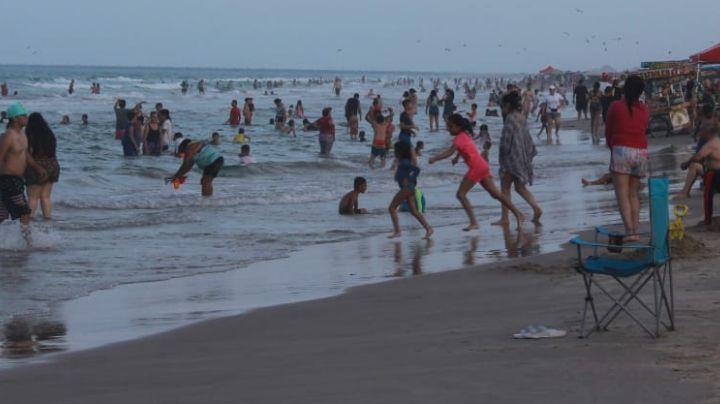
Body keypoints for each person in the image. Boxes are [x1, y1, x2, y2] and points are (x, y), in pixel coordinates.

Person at [429, 114, 524, 231]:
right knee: (496, 194)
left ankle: (474, 222)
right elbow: (463, 148)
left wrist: (434, 158)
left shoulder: (459, 138)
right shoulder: (464, 135)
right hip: (482, 165)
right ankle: (518, 213)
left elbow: (449, 152)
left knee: (461, 194)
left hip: (476, 168)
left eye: (451, 126)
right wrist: (457, 158)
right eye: (448, 126)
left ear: (458, 127)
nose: (448, 128)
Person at [605, 75, 649, 242]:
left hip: (621, 150)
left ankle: (630, 232)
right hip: (641, 152)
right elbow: (643, 128)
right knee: (633, 194)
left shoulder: (615, 106)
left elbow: (609, 130)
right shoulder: (645, 109)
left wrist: (612, 148)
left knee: (622, 195)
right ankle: (636, 231)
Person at [492, 92, 542, 226]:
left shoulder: (510, 118)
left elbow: (506, 141)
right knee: (520, 187)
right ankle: (536, 207)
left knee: (505, 187)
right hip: (522, 157)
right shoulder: (522, 117)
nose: (501, 108)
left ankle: (505, 218)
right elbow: (528, 139)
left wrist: (502, 158)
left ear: (508, 105)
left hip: (511, 159)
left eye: (502, 106)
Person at [0, 103, 33, 244]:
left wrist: (38, 168)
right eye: (23, 115)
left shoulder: (23, 135)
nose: (26, 117)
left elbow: (25, 156)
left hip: (17, 180)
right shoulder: (9, 136)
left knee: (2, 214)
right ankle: (29, 242)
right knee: (24, 211)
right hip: (8, 179)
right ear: (15, 119)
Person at [388, 141, 433, 239]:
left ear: (400, 151)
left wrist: (409, 179)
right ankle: (428, 228)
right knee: (414, 211)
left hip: (407, 189)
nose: (394, 151)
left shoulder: (404, 162)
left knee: (391, 208)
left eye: (396, 150)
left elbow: (417, 170)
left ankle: (397, 231)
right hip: (409, 189)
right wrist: (398, 176)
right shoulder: (402, 161)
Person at [676, 104, 719, 199]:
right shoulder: (713, 140)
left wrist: (686, 164)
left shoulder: (711, 143)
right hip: (714, 173)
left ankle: (685, 192)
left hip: (717, 177)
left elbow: (697, 157)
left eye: (701, 131)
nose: (699, 133)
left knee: (694, 165)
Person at [24, 113, 60, 220]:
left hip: (37, 167)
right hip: (53, 166)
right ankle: (47, 220)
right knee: (46, 197)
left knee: (33, 197)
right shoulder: (49, 134)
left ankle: (29, 222)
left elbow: (29, 152)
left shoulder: (30, 135)